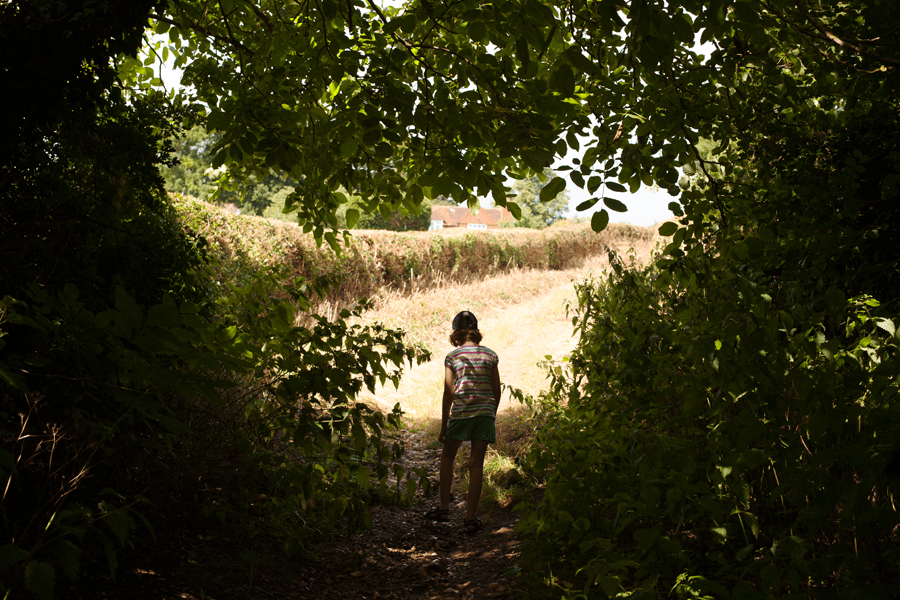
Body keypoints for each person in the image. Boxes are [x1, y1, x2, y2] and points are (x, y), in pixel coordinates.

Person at [424, 310, 501, 534]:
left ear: (456, 333)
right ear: (475, 331)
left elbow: (448, 393)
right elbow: (496, 390)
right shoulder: (491, 355)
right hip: (485, 414)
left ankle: (444, 509)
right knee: (476, 464)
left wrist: (444, 425)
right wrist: (490, 414)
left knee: (447, 457)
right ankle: (470, 518)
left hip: (461, 414)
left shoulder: (453, 357)